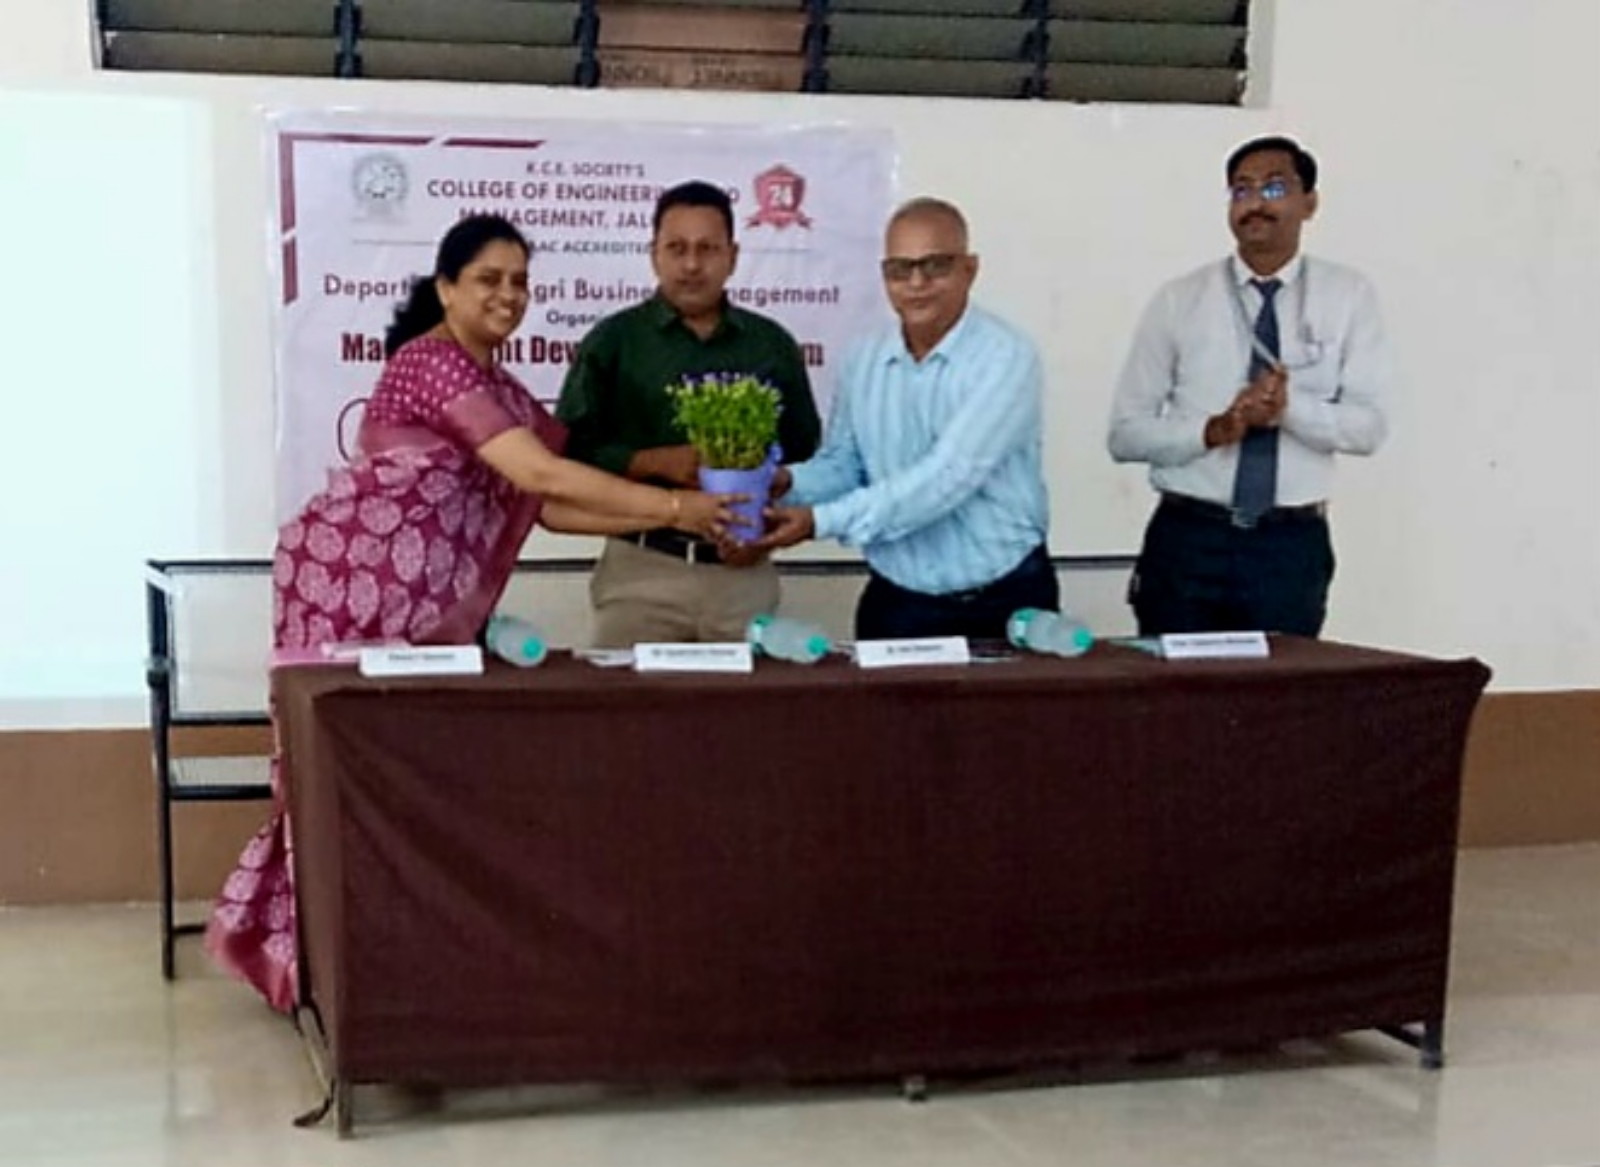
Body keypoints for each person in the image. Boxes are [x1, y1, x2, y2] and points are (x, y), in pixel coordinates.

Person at [207, 214, 741, 1012]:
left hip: (423, 621)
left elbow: (547, 504)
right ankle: (323, 960)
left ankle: (404, 950)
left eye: (520, 281)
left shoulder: (504, 391)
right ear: (446, 287)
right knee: (344, 780)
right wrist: (675, 504)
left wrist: (685, 520)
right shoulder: (431, 363)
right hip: (350, 596)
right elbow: (540, 474)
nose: (509, 294)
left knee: (406, 780)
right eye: (489, 278)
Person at [1107, 136, 1391, 637]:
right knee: (1174, 683)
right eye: (1241, 190)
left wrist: (1290, 410)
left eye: (1274, 188)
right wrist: (1214, 430)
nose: (1255, 203)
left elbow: (1368, 428)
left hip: (1289, 543)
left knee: (1282, 684)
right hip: (1189, 537)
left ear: (1310, 203)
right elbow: (1126, 435)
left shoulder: (1347, 296)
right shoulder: (1180, 299)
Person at [756, 197, 1057, 640]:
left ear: (970, 269)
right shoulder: (863, 357)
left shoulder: (1005, 357)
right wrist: (783, 484)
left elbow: (947, 478)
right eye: (900, 269)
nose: (917, 283)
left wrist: (819, 521)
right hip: (898, 600)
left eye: (935, 266)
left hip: (1004, 599)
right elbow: (845, 465)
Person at [555, 180, 822, 646]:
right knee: (627, 695)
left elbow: (803, 455)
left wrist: (762, 525)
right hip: (642, 569)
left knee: (752, 695)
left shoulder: (770, 345)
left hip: (742, 574)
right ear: (653, 254)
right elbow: (570, 453)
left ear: (732, 256)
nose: (692, 265)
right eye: (677, 248)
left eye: (707, 249)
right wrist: (652, 462)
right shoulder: (614, 342)